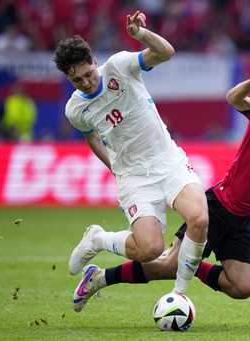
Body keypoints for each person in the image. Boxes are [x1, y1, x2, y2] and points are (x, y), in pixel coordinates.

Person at [70, 59, 250, 310]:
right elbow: (233, 98)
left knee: (242, 287)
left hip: (243, 218)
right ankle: (100, 278)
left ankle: (190, 261)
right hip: (219, 205)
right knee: (168, 264)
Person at [52, 11, 208, 312]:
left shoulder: (119, 66)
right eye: (76, 79)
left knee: (199, 219)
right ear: (68, 78)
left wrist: (141, 35)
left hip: (168, 161)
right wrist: (116, 169)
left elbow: (166, 52)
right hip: (134, 178)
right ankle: (97, 239)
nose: (85, 82)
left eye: (88, 74)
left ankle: (179, 295)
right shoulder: (75, 110)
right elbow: (93, 138)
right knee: (150, 250)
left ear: (95, 62)